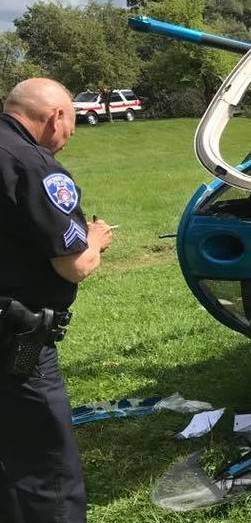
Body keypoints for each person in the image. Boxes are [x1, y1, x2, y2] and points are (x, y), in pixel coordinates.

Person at [0, 78, 113, 523]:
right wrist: (97, 240)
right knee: (48, 461)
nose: (66, 139)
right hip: (15, 339)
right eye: (71, 126)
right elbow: (74, 265)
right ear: (55, 117)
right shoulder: (33, 166)